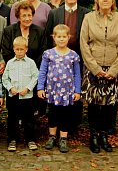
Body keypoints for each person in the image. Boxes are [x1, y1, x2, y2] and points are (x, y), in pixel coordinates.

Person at [80, 0, 118, 153]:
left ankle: (104, 135)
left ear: (113, 0)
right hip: (94, 67)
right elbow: (84, 44)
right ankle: (93, 135)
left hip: (113, 68)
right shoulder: (88, 18)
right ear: (97, 0)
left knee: (109, 105)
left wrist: (114, 70)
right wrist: (95, 68)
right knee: (94, 104)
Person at [45, 0, 90, 132]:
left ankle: (73, 125)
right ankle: (56, 124)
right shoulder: (54, 13)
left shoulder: (86, 13)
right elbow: (48, 37)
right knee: (58, 93)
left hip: (79, 58)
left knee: (76, 90)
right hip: (57, 61)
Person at [37, 24, 81, 153]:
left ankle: (63, 138)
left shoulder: (73, 55)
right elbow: (42, 71)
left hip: (67, 92)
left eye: (64, 37)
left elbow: (77, 74)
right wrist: (40, 87)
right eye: (59, 37)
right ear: (54, 37)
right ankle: (52, 137)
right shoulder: (48, 54)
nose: (61, 39)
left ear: (69, 37)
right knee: (53, 114)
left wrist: (77, 90)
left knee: (65, 115)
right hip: (52, 91)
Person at [2, 36, 39, 152]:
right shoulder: (10, 63)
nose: (19, 51)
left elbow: (35, 77)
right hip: (13, 96)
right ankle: (12, 139)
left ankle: (30, 139)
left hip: (27, 96)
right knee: (12, 118)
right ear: (13, 49)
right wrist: (10, 87)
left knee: (29, 118)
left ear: (26, 49)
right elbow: (5, 78)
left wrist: (28, 88)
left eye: (21, 49)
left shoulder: (31, 63)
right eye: (17, 49)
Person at [2, 1, 46, 67]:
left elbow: (42, 53)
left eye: (29, 15)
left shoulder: (40, 31)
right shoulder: (9, 31)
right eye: (24, 16)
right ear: (18, 17)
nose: (27, 19)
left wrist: (31, 67)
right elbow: (6, 53)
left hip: (34, 69)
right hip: (14, 69)